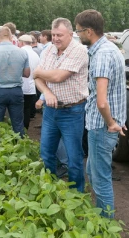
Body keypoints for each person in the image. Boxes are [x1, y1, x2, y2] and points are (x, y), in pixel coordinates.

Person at [75, 9, 127, 218]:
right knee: (92, 170)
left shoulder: (102, 55)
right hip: (103, 124)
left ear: (89, 31)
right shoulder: (108, 48)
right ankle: (99, 215)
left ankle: (105, 226)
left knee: (100, 177)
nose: (77, 35)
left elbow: (102, 101)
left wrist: (112, 123)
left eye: (78, 31)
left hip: (101, 126)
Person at [34, 18, 88, 193]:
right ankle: (51, 188)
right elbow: (37, 78)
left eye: (60, 35)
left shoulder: (79, 51)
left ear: (71, 35)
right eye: (54, 34)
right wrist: (47, 93)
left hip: (72, 110)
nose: (56, 38)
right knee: (46, 152)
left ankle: (76, 194)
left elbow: (58, 77)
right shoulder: (50, 49)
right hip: (50, 110)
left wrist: (40, 73)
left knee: (74, 157)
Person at [0, 26, 30, 136]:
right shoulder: (22, 52)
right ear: (11, 37)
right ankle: (19, 146)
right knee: (17, 123)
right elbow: (27, 74)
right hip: (16, 91)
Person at [19, 34, 41, 129]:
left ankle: (18, 130)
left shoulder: (19, 52)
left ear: (22, 42)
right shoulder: (35, 54)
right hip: (31, 86)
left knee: (18, 110)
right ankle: (25, 129)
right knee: (26, 109)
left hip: (20, 85)